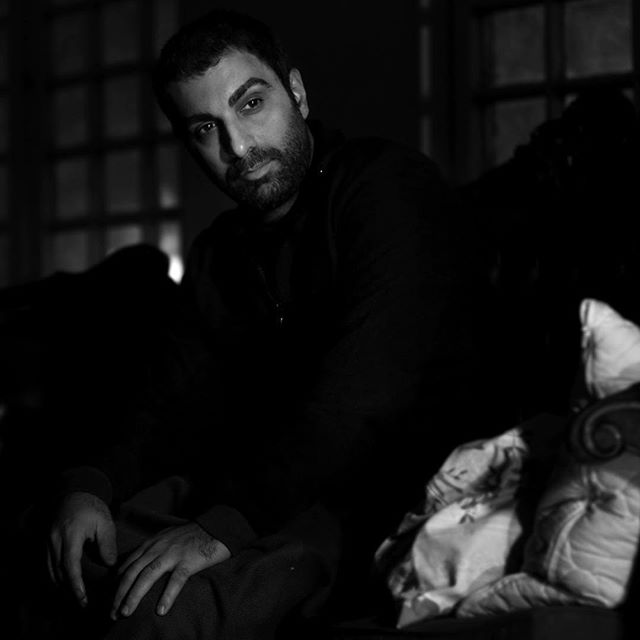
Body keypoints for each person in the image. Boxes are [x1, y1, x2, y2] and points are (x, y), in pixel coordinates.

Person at [17, 8, 488, 639]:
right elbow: (165, 392)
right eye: (205, 129)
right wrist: (91, 482)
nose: (237, 147)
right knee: (47, 546)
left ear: (297, 93)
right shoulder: (222, 250)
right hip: (261, 487)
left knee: (158, 612)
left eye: (251, 104)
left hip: (380, 499)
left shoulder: (385, 188)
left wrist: (222, 527)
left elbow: (359, 400)